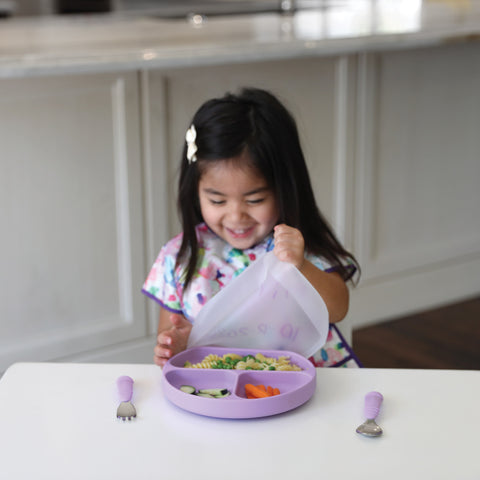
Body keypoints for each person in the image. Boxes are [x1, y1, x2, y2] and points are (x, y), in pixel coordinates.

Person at [142, 87, 361, 368]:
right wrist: (178, 345)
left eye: (255, 199)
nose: (236, 216)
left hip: (305, 386)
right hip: (220, 392)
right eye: (217, 200)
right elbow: (169, 332)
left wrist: (300, 266)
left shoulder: (294, 244)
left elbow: (337, 308)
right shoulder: (180, 255)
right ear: (194, 190)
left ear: (284, 187)